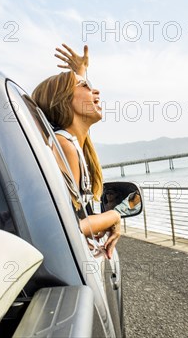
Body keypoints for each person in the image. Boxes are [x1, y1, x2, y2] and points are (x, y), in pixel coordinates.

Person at [32, 44, 121, 259]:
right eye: (86, 86)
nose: (96, 91)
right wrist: (114, 216)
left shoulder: (70, 143)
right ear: (64, 101)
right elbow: (65, 228)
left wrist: (81, 73)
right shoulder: (65, 147)